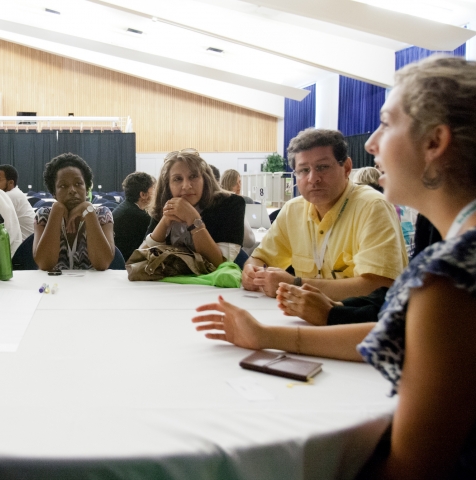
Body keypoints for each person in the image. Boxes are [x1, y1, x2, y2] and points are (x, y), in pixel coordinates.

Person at [193, 56, 476, 479]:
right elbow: (409, 337)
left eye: (386, 123)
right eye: (302, 170)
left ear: (435, 142)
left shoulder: (451, 274)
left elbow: (415, 468)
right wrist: (269, 335)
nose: (371, 143)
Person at [242, 129, 408, 301]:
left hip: (361, 323)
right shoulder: (293, 210)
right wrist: (251, 272)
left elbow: (379, 287)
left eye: (322, 167)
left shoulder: (373, 207)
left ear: (347, 168)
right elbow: (259, 259)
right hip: (304, 320)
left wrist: (296, 285)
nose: (313, 178)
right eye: (304, 170)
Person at [143, 149, 245, 267]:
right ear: (168, 185)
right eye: (177, 179)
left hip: (214, 283)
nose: (186, 186)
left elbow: (220, 262)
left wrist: (193, 219)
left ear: (205, 180)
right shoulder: (164, 204)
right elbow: (142, 255)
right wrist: (165, 221)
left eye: (193, 176)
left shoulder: (230, 204)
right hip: (170, 282)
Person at [33, 153, 115, 271]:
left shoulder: (102, 214)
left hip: (92, 286)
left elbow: (102, 264)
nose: (72, 190)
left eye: (78, 184)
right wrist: (57, 210)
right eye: (63, 186)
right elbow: (45, 264)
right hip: (55, 286)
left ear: (86, 190)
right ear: (54, 193)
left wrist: (89, 210)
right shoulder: (43, 215)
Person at [113, 172, 155, 260]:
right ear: (143, 195)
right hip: (127, 266)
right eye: (154, 189)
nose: (156, 193)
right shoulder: (139, 217)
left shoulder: (126, 208)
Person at [0, 164, 35, 241]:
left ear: (11, 182)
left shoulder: (10, 196)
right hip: (27, 242)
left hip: (27, 246)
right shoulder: (14, 193)